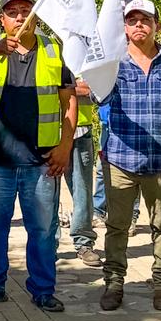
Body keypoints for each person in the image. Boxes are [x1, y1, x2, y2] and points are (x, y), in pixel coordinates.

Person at [0, 0, 77, 313]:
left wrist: (65, 146)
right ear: (2, 18)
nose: (19, 17)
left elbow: (69, 99)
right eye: (12, 12)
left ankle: (42, 289)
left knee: (42, 229)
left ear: (34, 16)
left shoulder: (54, 50)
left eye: (25, 10)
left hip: (40, 160)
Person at [96, 0, 161, 311]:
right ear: (125, 28)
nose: (139, 25)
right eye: (132, 20)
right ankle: (114, 284)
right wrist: (98, 71)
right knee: (117, 227)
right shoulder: (114, 63)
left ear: (156, 24)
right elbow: (95, 95)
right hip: (121, 160)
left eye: (145, 19)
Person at [64, 78, 101, 265]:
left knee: (83, 190)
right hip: (49, 128)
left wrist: (63, 87)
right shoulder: (48, 51)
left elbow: (96, 88)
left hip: (81, 130)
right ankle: (48, 245)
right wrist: (75, 86)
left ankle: (84, 243)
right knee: (46, 193)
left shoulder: (88, 51)